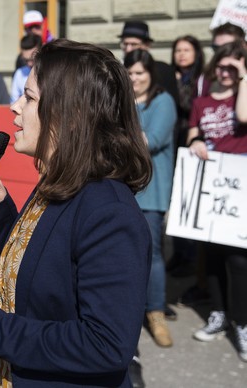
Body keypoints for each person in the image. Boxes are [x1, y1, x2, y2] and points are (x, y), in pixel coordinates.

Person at [0, 39, 153, 387]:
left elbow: (105, 345)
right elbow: (41, 273)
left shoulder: (110, 214)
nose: (15, 107)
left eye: (28, 98)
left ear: (68, 115)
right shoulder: (58, 183)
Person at [186, 41, 247, 363]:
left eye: (232, 67)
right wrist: (195, 141)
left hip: (239, 188)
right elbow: (192, 134)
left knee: (239, 261)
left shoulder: (242, 95)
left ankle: (242, 323)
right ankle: (219, 313)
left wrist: (243, 76)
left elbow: (243, 116)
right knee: (210, 256)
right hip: (210, 185)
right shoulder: (201, 101)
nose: (225, 72)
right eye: (221, 66)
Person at [125, 49, 177, 348]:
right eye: (129, 73)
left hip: (152, 192)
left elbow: (152, 140)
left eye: (140, 73)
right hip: (125, 188)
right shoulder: (125, 103)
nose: (134, 79)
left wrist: (112, 130)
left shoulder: (163, 101)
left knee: (153, 254)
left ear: (150, 74)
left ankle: (155, 312)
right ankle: (130, 309)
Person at [166, 35, 204, 280]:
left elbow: (191, 106)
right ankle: (180, 254)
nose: (181, 54)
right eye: (177, 50)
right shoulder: (170, 76)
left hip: (190, 142)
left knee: (190, 199)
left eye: (186, 50)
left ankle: (191, 258)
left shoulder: (202, 79)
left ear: (196, 53)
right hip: (174, 140)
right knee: (176, 200)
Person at [118, 21, 179, 105]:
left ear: (147, 45)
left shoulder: (164, 70)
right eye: (125, 44)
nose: (128, 49)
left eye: (134, 44)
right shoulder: (117, 70)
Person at [10, 34, 41, 103]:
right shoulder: (19, 74)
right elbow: (14, 101)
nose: (29, 64)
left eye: (32, 59)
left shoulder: (51, 72)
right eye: (26, 60)